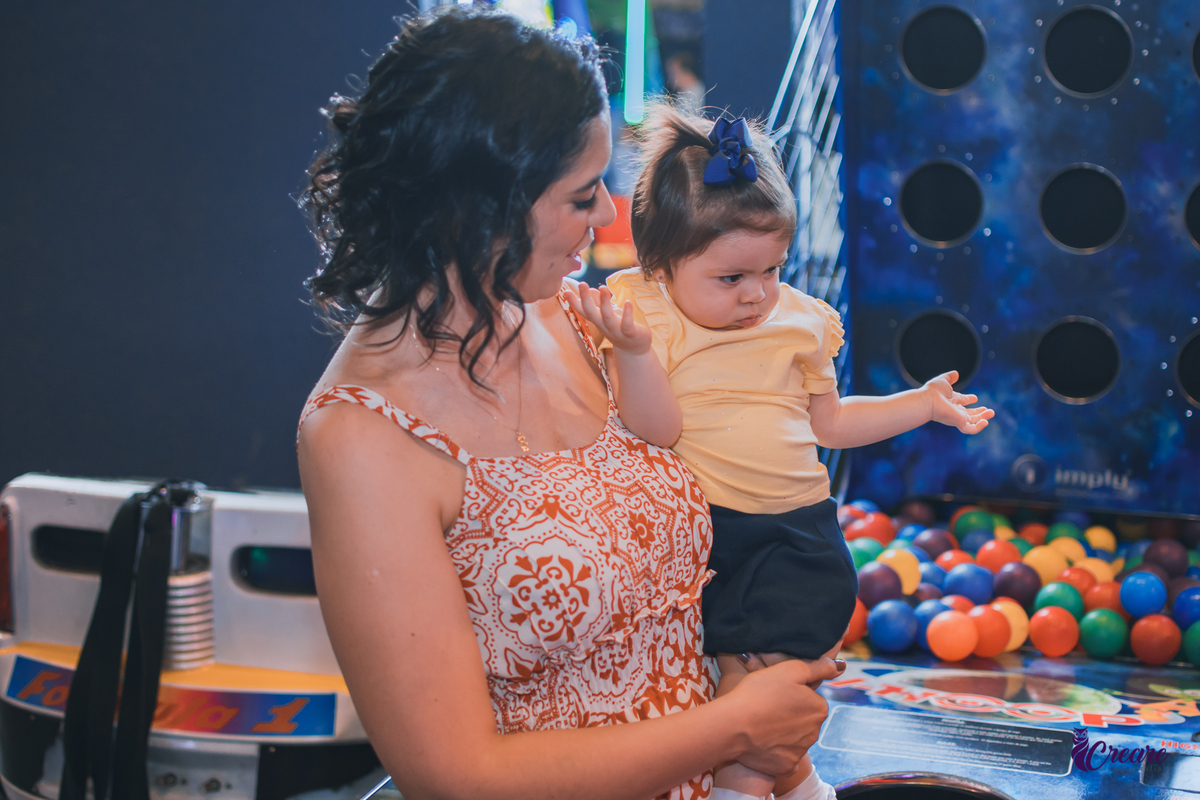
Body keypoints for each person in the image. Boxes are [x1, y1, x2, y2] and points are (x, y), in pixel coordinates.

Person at [295, 9, 841, 800]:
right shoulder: (362, 433)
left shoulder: (579, 316)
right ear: (479, 204)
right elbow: (456, 777)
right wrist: (736, 726)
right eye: (583, 197)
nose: (607, 219)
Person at [571, 107, 994, 800]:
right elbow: (656, 428)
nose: (757, 294)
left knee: (767, 691)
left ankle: (758, 787)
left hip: (797, 535)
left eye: (772, 269)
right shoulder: (647, 317)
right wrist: (638, 354)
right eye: (731, 279)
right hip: (705, 538)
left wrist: (918, 405)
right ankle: (801, 788)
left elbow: (828, 423)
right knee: (734, 695)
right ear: (662, 265)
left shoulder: (798, 319)